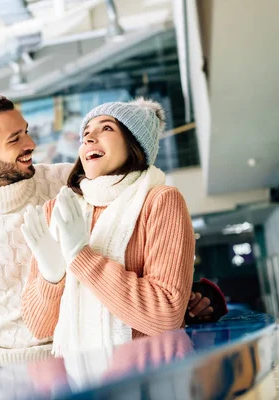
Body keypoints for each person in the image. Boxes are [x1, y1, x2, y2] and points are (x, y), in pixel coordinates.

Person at [0, 93, 225, 383]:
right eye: (15, 139)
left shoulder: (69, 184)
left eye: (27, 131)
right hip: (5, 372)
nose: (31, 144)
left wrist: (187, 295)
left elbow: (136, 223)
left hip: (79, 360)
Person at [20, 99, 195, 355]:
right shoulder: (58, 211)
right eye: (86, 133)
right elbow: (39, 327)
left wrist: (82, 256)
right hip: (82, 383)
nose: (89, 138)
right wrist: (52, 276)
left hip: (151, 379)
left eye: (107, 128)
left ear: (135, 143)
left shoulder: (160, 201)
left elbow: (165, 314)